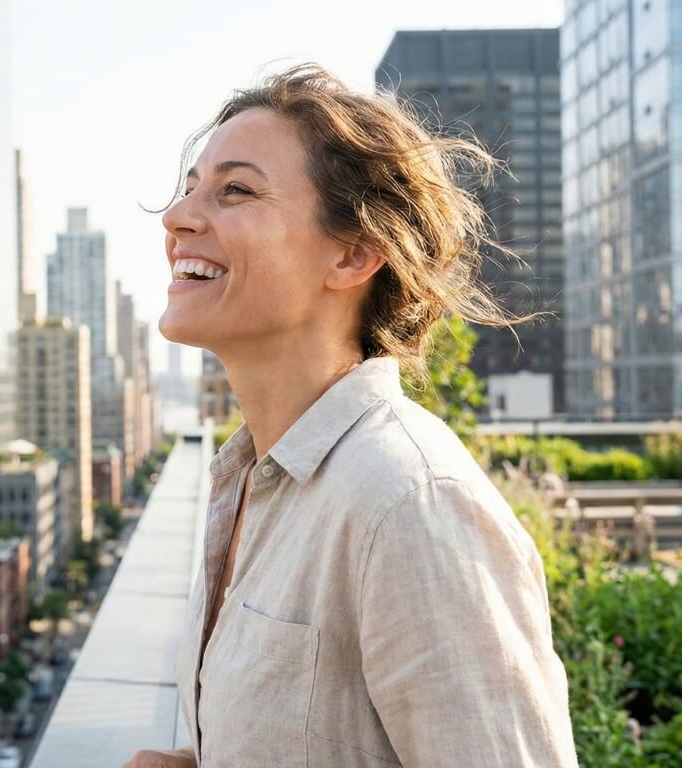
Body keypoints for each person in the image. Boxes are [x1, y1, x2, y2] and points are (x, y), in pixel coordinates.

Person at [122, 64, 578, 768]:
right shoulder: (249, 479)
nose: (178, 218)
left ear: (356, 252)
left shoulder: (409, 505)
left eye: (235, 190)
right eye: (191, 188)